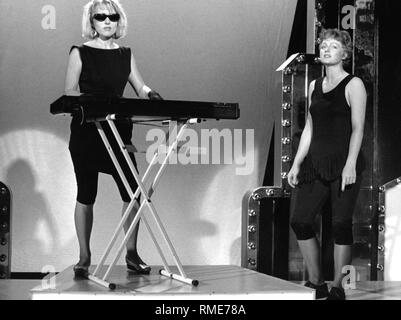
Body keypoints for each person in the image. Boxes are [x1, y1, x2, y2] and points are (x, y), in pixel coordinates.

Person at [64, 0, 162, 278]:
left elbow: (141, 86)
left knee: (133, 192)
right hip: (87, 130)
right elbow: (70, 91)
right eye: (101, 16)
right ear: (91, 22)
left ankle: (131, 253)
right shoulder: (79, 52)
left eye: (113, 16)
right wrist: (89, 103)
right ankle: (84, 257)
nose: (107, 21)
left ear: (119, 20)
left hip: (118, 131)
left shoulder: (125, 54)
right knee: (86, 194)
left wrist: (151, 94)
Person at [287, 29, 366, 300]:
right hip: (315, 163)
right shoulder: (314, 86)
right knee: (300, 220)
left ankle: (339, 287)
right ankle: (317, 282)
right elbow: (309, 126)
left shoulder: (354, 84)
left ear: (344, 53)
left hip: (344, 162)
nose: (326, 50)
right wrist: (297, 162)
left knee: (341, 224)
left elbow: (358, 128)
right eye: (323, 46)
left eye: (334, 46)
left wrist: (351, 163)